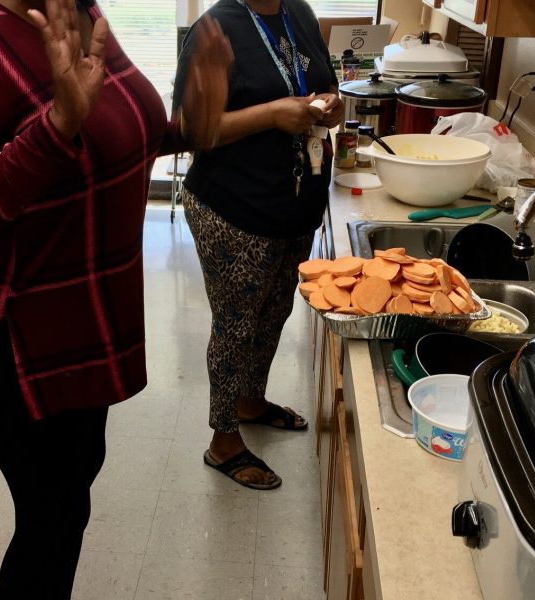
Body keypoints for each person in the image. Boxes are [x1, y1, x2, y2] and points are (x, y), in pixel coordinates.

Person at [0, 0, 232, 597]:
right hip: (13, 333)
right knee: (52, 514)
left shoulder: (80, 10)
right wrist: (54, 128)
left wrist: (194, 117)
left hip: (83, 320)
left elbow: (124, 134)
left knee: (73, 486)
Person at [173, 0, 344, 490]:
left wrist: (330, 106)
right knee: (235, 325)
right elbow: (192, 131)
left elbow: (324, 87)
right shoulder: (215, 27)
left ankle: (251, 399)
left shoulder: (302, 14)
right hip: (233, 209)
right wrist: (273, 114)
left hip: (293, 206)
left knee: (272, 313)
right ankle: (223, 440)